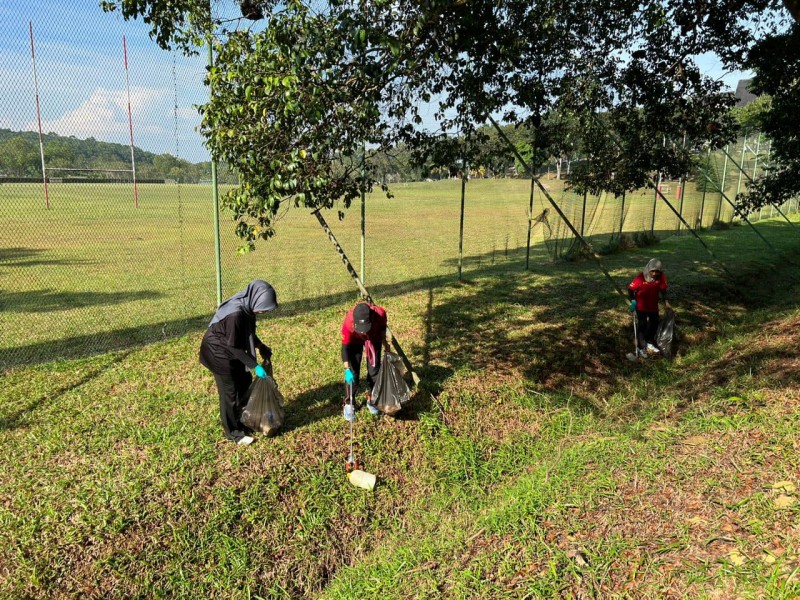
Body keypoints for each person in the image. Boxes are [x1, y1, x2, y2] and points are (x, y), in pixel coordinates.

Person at [199, 280, 278, 445]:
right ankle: (234, 433)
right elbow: (233, 346)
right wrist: (254, 366)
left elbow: (246, 333)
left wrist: (260, 346)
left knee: (244, 382)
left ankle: (244, 419)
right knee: (230, 393)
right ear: (255, 299)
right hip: (218, 354)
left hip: (231, 349)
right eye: (263, 308)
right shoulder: (236, 314)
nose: (263, 312)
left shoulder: (247, 308)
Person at [341, 301, 390, 419]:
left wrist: (386, 347)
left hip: (373, 338)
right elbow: (345, 348)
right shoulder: (348, 323)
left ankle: (372, 399)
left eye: (365, 327)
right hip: (354, 341)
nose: (363, 331)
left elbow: (383, 331)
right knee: (353, 374)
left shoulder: (380, 314)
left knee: (374, 372)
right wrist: (347, 369)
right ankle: (349, 403)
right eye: (361, 328)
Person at [626, 258, 670, 361]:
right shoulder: (641, 277)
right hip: (641, 306)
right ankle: (642, 347)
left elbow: (663, 290)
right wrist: (633, 301)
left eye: (657, 271)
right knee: (642, 325)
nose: (654, 274)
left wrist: (666, 302)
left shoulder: (661, 277)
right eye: (652, 271)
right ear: (648, 269)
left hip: (653, 306)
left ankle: (650, 341)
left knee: (654, 323)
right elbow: (630, 289)